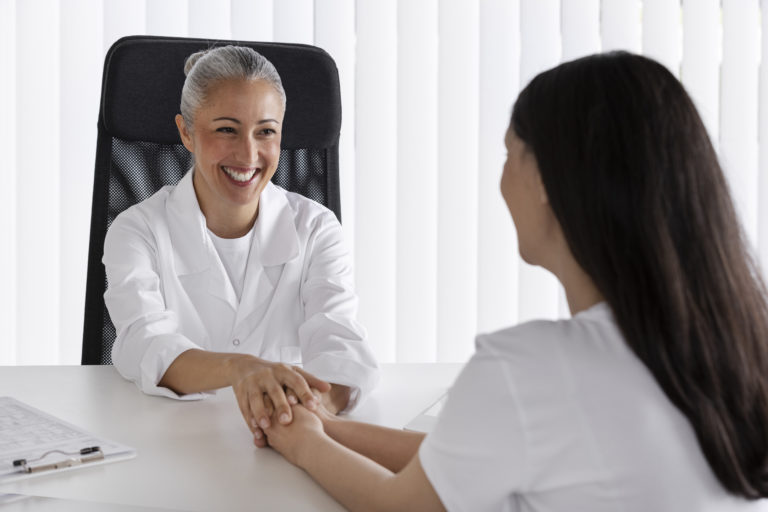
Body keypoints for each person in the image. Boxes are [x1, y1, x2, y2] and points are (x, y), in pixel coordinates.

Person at [262, 52, 768, 511]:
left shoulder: (530, 368)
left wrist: (302, 442)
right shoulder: (731, 345)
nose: (502, 181)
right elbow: (477, 453)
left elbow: (403, 505)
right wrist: (328, 429)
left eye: (509, 155)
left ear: (547, 180)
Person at [103, 45, 378, 439]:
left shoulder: (316, 229)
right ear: (187, 133)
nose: (248, 154)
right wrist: (240, 369)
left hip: (288, 444)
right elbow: (145, 344)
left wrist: (306, 409)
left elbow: (341, 344)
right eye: (226, 130)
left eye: (265, 132)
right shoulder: (138, 231)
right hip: (171, 448)